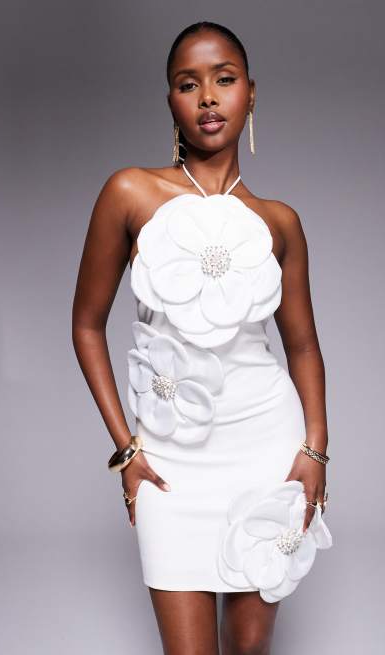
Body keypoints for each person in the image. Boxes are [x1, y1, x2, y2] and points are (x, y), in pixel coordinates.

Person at [72, 20, 331, 655]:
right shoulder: (131, 193)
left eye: (225, 79)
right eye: (188, 84)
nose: (208, 97)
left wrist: (315, 451)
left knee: (250, 648)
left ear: (251, 93)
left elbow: (302, 345)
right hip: (170, 463)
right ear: (171, 101)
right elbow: (85, 324)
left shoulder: (279, 222)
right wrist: (127, 450)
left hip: (266, 448)